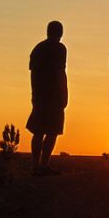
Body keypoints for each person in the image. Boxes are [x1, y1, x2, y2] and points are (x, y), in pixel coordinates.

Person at [27, 21, 68, 176]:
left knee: (38, 131)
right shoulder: (59, 48)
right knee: (52, 131)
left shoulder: (38, 48)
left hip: (39, 95)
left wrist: (34, 93)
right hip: (53, 95)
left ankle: (35, 165)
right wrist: (64, 94)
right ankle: (43, 165)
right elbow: (60, 73)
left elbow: (32, 74)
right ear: (60, 33)